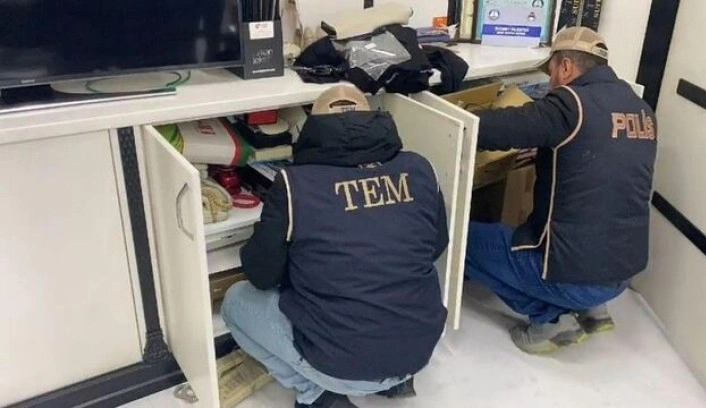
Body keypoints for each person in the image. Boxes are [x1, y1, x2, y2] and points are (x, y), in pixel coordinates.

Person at [222, 86, 448, 408]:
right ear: (375, 119)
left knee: (235, 302)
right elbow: (436, 245)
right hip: (418, 351)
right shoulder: (420, 168)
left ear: (311, 129)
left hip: (342, 362)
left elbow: (260, 275)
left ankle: (318, 396)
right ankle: (395, 380)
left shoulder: (294, 184)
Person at [466, 27, 658, 354]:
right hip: (622, 273)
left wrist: (462, 115)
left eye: (551, 72)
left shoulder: (572, 103)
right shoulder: (640, 109)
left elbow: (494, 129)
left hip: (575, 277)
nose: (551, 82)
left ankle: (550, 321)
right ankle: (594, 312)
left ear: (566, 66)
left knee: (458, 238)